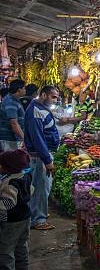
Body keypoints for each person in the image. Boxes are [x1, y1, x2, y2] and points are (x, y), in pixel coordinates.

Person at [24, 85, 59, 231]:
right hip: (40, 157)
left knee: (42, 186)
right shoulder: (36, 111)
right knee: (40, 187)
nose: (55, 101)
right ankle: (38, 219)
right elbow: (38, 139)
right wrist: (47, 160)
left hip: (42, 155)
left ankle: (38, 213)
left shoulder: (39, 108)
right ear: (43, 95)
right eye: (53, 97)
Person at [0, 149, 33, 270]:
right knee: (21, 245)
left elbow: (8, 204)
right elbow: (31, 191)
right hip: (25, 217)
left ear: (8, 168)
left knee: (5, 250)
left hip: (12, 221)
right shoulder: (25, 176)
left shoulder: (10, 184)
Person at [0, 80, 26, 151]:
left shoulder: (14, 99)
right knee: (11, 160)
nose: (25, 90)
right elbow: (13, 122)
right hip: (9, 140)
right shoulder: (10, 102)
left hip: (12, 139)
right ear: (19, 89)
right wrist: (24, 138)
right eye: (24, 88)